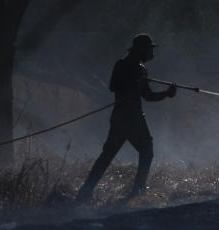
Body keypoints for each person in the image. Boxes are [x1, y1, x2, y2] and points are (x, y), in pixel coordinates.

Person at [75, 33, 176, 202]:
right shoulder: (126, 66)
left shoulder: (134, 67)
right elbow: (116, 87)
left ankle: (87, 191)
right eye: (150, 49)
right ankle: (137, 190)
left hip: (125, 117)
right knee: (144, 152)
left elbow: (143, 94)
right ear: (142, 50)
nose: (152, 52)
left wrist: (162, 92)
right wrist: (139, 85)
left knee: (110, 155)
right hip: (130, 118)